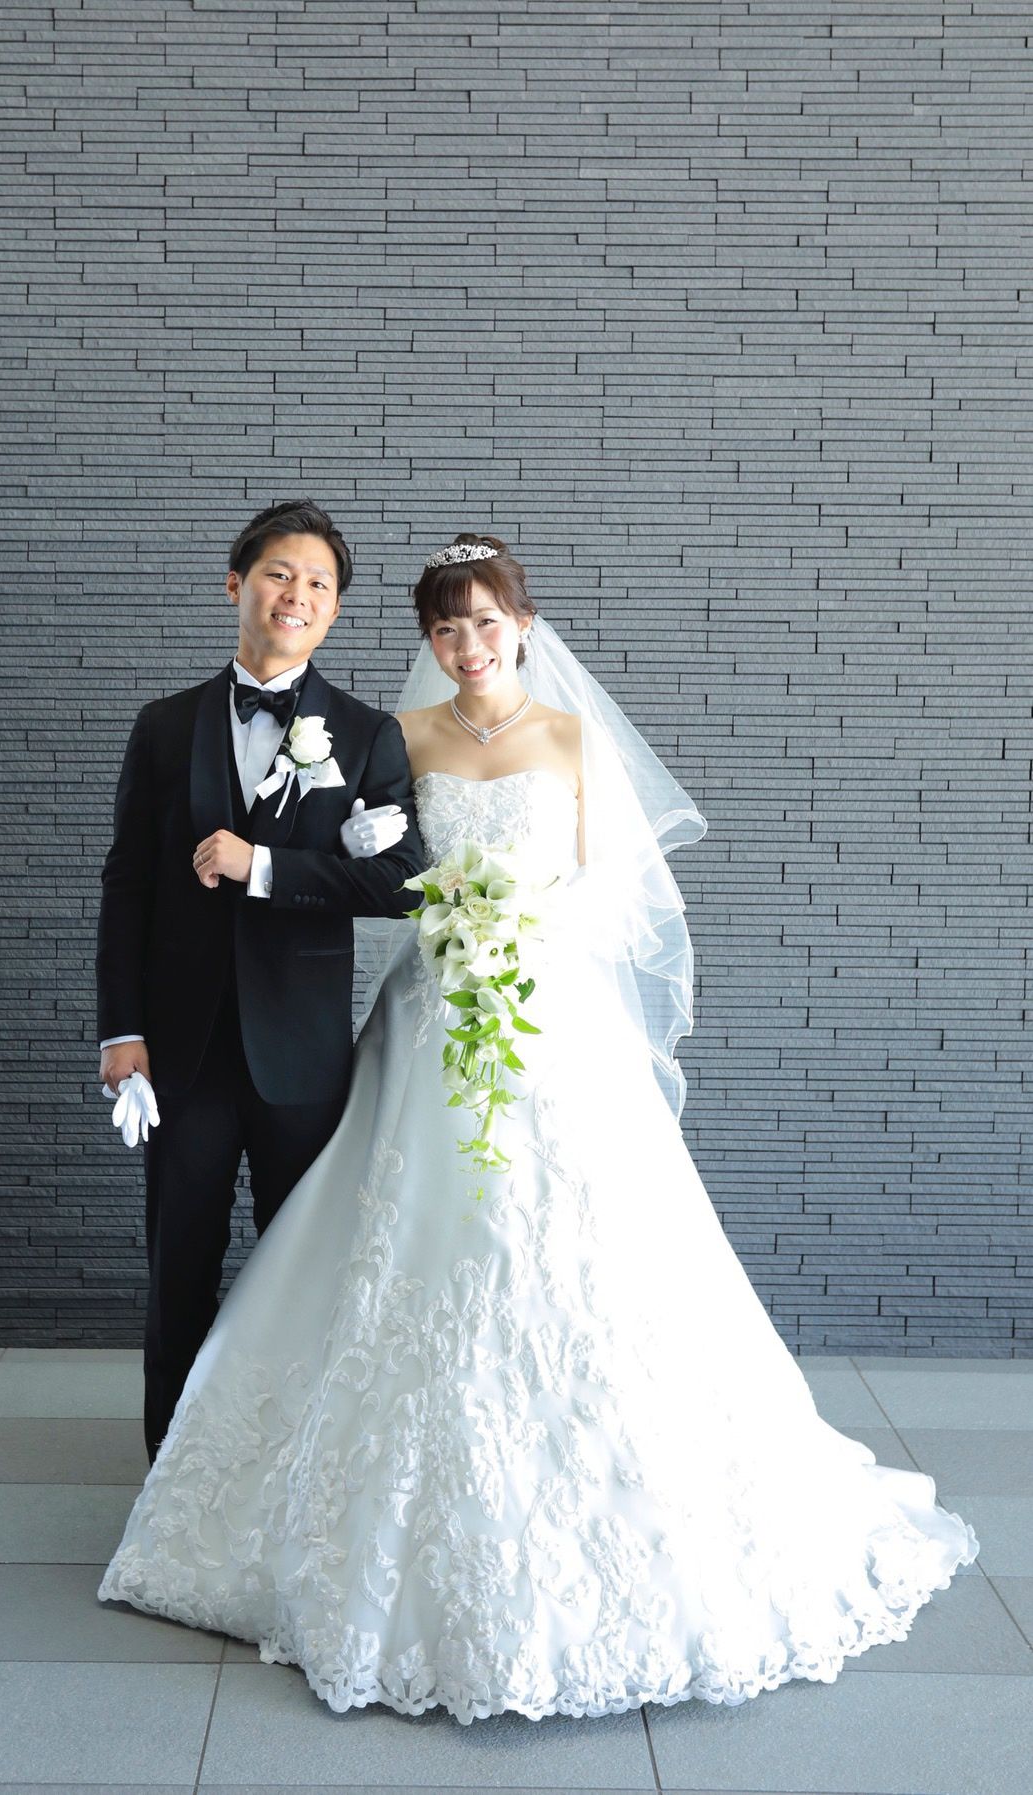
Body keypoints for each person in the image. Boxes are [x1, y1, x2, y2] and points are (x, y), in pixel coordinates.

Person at [97, 532, 980, 1723]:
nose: (466, 644)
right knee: (372, 1240)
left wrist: (518, 935)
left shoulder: (567, 739)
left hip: (543, 1015)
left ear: (521, 623)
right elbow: (384, 868)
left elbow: (610, 892)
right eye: (444, 626)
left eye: (484, 621)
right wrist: (404, 901)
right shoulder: (390, 738)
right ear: (423, 637)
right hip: (425, 1012)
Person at [95, 497, 429, 1462]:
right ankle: (169, 1486)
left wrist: (268, 867)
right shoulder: (164, 727)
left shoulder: (366, 735)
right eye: (280, 573)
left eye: (318, 583)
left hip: (305, 1062)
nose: (298, 593)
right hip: (183, 1055)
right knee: (180, 1278)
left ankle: (289, 1483)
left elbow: (405, 883)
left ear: (335, 610)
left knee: (304, 1281)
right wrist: (122, 1029)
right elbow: (127, 886)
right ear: (236, 584)